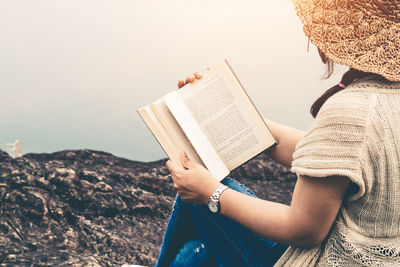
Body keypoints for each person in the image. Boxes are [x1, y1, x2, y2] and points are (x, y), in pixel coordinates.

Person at [156, 0, 400, 266]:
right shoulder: (385, 105)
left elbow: (303, 229)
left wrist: (212, 193)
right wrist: (219, 109)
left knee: (195, 205)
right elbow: (316, 152)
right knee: (197, 254)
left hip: (326, 260)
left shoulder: (351, 110)